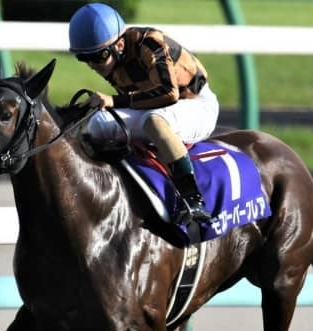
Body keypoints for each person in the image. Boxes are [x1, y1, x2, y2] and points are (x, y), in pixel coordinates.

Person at [68, 2, 220, 224]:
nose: (93, 65)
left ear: (119, 45)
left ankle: (192, 199)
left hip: (196, 104)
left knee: (154, 121)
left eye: (99, 56)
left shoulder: (150, 42)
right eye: (85, 58)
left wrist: (114, 101)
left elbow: (168, 94)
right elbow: (140, 100)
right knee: (97, 123)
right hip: (156, 108)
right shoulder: (113, 60)